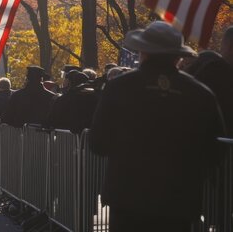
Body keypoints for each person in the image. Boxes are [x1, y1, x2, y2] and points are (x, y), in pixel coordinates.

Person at [90, 21, 226, 231]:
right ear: (178, 56)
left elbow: (97, 142)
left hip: (127, 198)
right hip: (178, 201)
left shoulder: (120, 87)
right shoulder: (200, 93)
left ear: (143, 51)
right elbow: (215, 149)